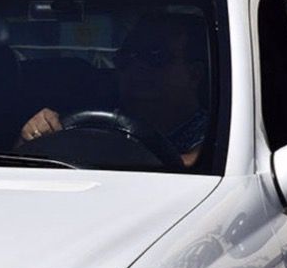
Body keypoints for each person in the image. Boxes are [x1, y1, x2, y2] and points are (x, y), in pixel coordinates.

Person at [16, 16, 210, 168]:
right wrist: (35, 136)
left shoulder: (220, 133)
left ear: (194, 75)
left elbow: (194, 166)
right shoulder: (92, 121)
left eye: (155, 56)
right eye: (126, 56)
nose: (136, 66)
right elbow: (19, 167)